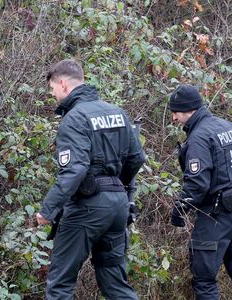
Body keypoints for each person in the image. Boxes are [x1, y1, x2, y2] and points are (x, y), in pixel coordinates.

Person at [36, 59, 144, 299]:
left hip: (87, 207)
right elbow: (137, 158)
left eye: (52, 89)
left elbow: (74, 170)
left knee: (60, 285)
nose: (53, 95)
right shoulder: (118, 113)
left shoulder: (74, 118)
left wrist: (48, 209)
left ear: (63, 84)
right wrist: (117, 185)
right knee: (115, 284)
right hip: (118, 207)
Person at [167, 84, 232, 300]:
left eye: (176, 112)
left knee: (203, 279)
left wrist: (179, 210)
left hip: (216, 215)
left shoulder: (199, 138)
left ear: (188, 109)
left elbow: (197, 184)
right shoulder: (229, 127)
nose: (174, 118)